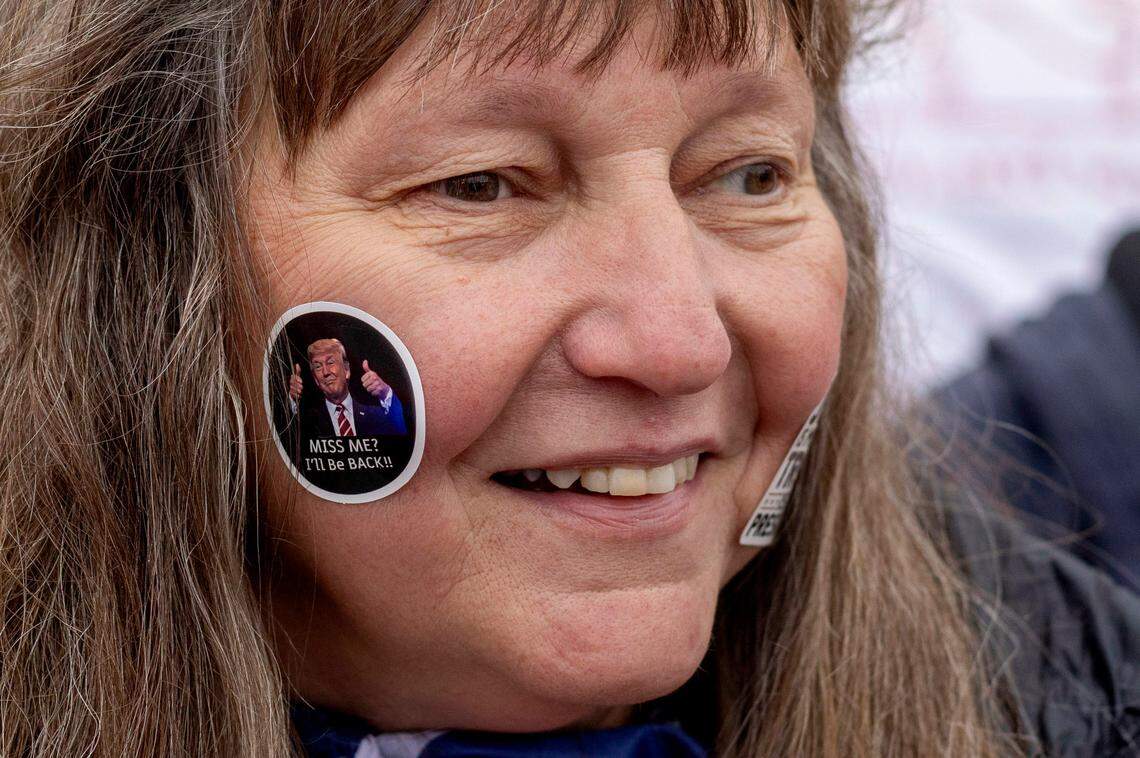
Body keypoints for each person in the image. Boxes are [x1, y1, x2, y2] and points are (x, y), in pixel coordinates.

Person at [1, 2, 1138, 757]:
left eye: (747, 173)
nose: (676, 339)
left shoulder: (1074, 697)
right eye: (482, 185)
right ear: (137, 280)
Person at [289, 338, 407, 438]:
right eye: (318, 367)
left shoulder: (376, 415)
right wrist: (292, 399)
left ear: (346, 370)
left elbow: (401, 433)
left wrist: (385, 392)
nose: (325, 372)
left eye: (330, 362)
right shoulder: (308, 422)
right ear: (316, 380)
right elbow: (287, 435)